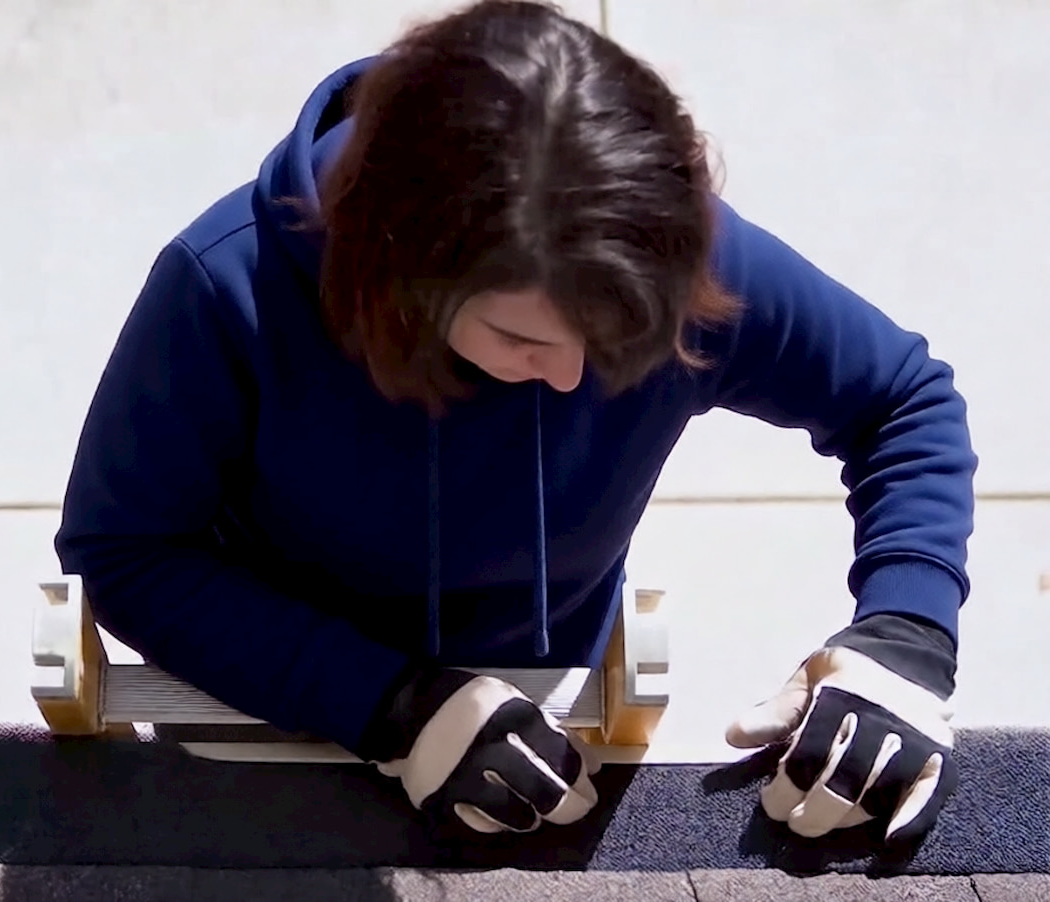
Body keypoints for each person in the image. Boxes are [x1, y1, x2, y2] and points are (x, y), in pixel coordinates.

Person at [54, 0, 976, 843]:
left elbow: (901, 400)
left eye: (620, 340)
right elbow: (126, 549)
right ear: (403, 268)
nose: (576, 378)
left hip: (545, 712)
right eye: (524, 338)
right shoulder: (228, 287)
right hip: (261, 702)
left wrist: (905, 633)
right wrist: (390, 705)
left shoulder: (675, 252)